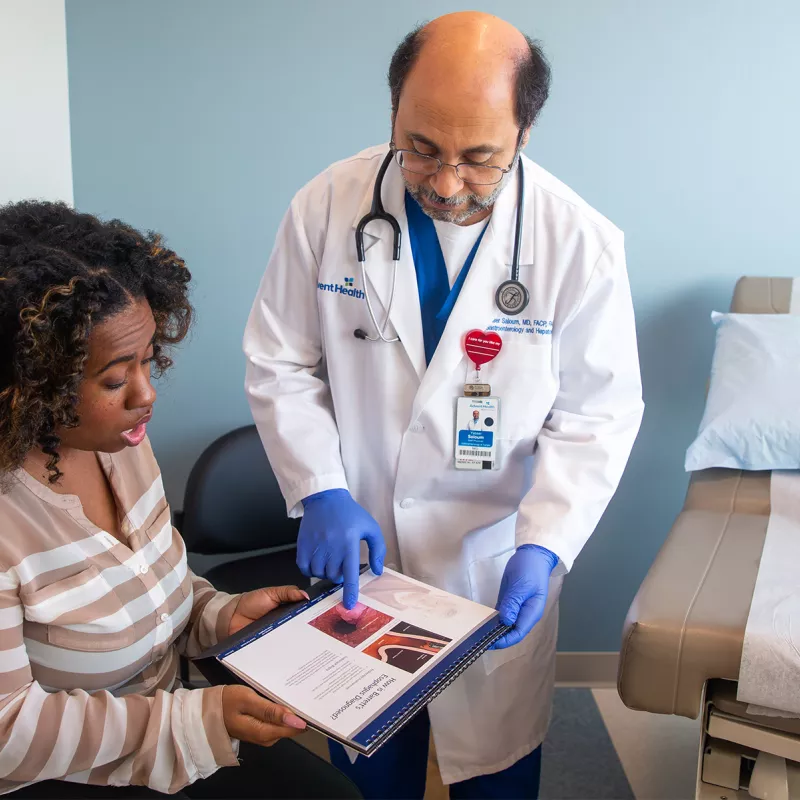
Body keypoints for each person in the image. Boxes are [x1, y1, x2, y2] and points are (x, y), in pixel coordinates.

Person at [244, 11, 643, 799]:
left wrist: (547, 542)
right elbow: (279, 358)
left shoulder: (580, 242)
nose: (446, 182)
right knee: (366, 757)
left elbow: (598, 414)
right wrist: (319, 487)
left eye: (479, 158)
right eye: (421, 147)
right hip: (365, 555)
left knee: (493, 769)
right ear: (393, 111)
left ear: (526, 130)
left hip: (488, 560)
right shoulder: (327, 205)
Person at [0, 201, 359, 799]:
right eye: (115, 379)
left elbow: (141, 582)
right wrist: (196, 719)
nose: (147, 394)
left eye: (147, 362)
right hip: (59, 773)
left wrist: (215, 614)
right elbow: (8, 728)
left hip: (168, 733)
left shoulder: (117, 446)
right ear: (30, 380)